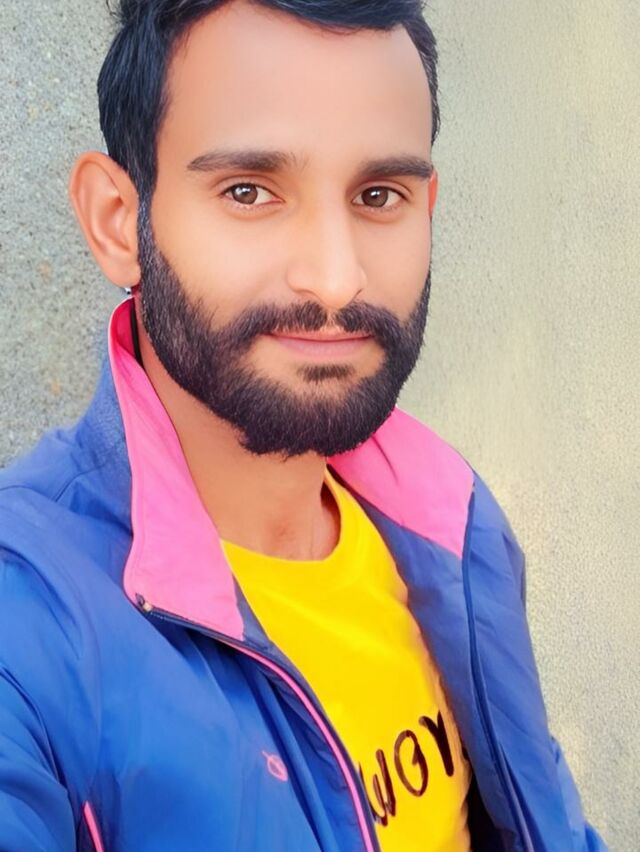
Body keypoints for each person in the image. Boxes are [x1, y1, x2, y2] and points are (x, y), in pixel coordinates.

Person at [0, 1, 606, 850]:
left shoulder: (450, 522)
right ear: (118, 221)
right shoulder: (29, 626)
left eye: (379, 195)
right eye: (249, 191)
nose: (335, 278)